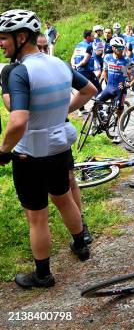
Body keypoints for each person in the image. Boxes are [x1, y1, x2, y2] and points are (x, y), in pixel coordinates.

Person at [0, 9, 97, 289]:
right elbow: (89, 89)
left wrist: (4, 150)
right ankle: (81, 245)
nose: (1, 43)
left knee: (37, 217)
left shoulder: (19, 72)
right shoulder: (58, 63)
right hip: (58, 148)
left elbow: (18, 120)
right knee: (64, 198)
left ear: (21, 37)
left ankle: (42, 275)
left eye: (4, 38)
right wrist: (59, 111)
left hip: (29, 154)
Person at [32, 34, 93, 243]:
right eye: (37, 48)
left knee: (69, 180)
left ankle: (81, 227)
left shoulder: (58, 65)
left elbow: (89, 90)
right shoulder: (23, 69)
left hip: (57, 131)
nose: (41, 52)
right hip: (42, 137)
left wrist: (62, 111)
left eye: (44, 47)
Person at [98, 37, 134, 142]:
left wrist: (130, 84)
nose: (122, 50)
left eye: (123, 47)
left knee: (119, 110)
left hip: (120, 89)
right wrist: (107, 84)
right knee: (95, 103)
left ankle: (119, 132)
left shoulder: (126, 60)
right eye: (119, 48)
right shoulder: (107, 57)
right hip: (109, 87)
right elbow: (105, 71)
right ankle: (95, 123)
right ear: (113, 48)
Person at [71, 30, 101, 115]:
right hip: (86, 71)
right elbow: (85, 61)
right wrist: (79, 65)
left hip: (79, 71)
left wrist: (74, 65)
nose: (94, 37)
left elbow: (73, 57)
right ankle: (99, 108)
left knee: (81, 90)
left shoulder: (78, 45)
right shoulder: (89, 46)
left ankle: (81, 110)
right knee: (98, 89)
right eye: (92, 36)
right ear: (88, 37)